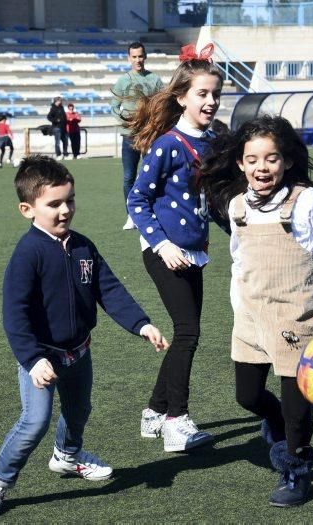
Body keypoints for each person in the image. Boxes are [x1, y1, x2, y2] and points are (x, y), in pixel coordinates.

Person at [0, 155, 169, 519]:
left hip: (79, 354)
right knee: (34, 422)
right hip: (41, 359)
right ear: (27, 209)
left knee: (79, 411)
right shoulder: (27, 253)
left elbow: (108, 290)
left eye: (70, 200)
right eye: (54, 204)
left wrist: (141, 324)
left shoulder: (82, 246)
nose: (65, 210)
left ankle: (67, 456)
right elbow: (14, 314)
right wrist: (32, 359)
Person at [198, 115, 313, 507]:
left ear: (286, 162)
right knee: (248, 397)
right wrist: (240, 308)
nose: (262, 167)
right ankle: (279, 430)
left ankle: (297, 468)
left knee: (295, 407)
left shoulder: (305, 202)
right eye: (252, 159)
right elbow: (240, 262)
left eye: (271, 158)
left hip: (294, 318)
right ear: (240, 163)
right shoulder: (237, 207)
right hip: (250, 318)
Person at [124, 43, 222, 453]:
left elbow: (214, 200)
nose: (211, 101)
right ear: (181, 97)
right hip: (164, 251)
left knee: (187, 333)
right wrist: (161, 244)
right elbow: (137, 199)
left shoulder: (215, 140)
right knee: (188, 333)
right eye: (202, 94)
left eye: (216, 94)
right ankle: (175, 421)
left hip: (193, 250)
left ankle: (153, 411)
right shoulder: (166, 144)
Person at [111, 41, 164, 230]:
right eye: (134, 56)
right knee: (128, 177)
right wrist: (127, 121)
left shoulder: (155, 80)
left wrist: (156, 122)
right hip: (129, 136)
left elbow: (162, 105)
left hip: (150, 136)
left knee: (152, 174)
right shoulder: (123, 81)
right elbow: (113, 107)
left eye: (140, 56)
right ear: (129, 58)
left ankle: (153, 211)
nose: (138, 60)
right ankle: (131, 215)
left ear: (145, 56)